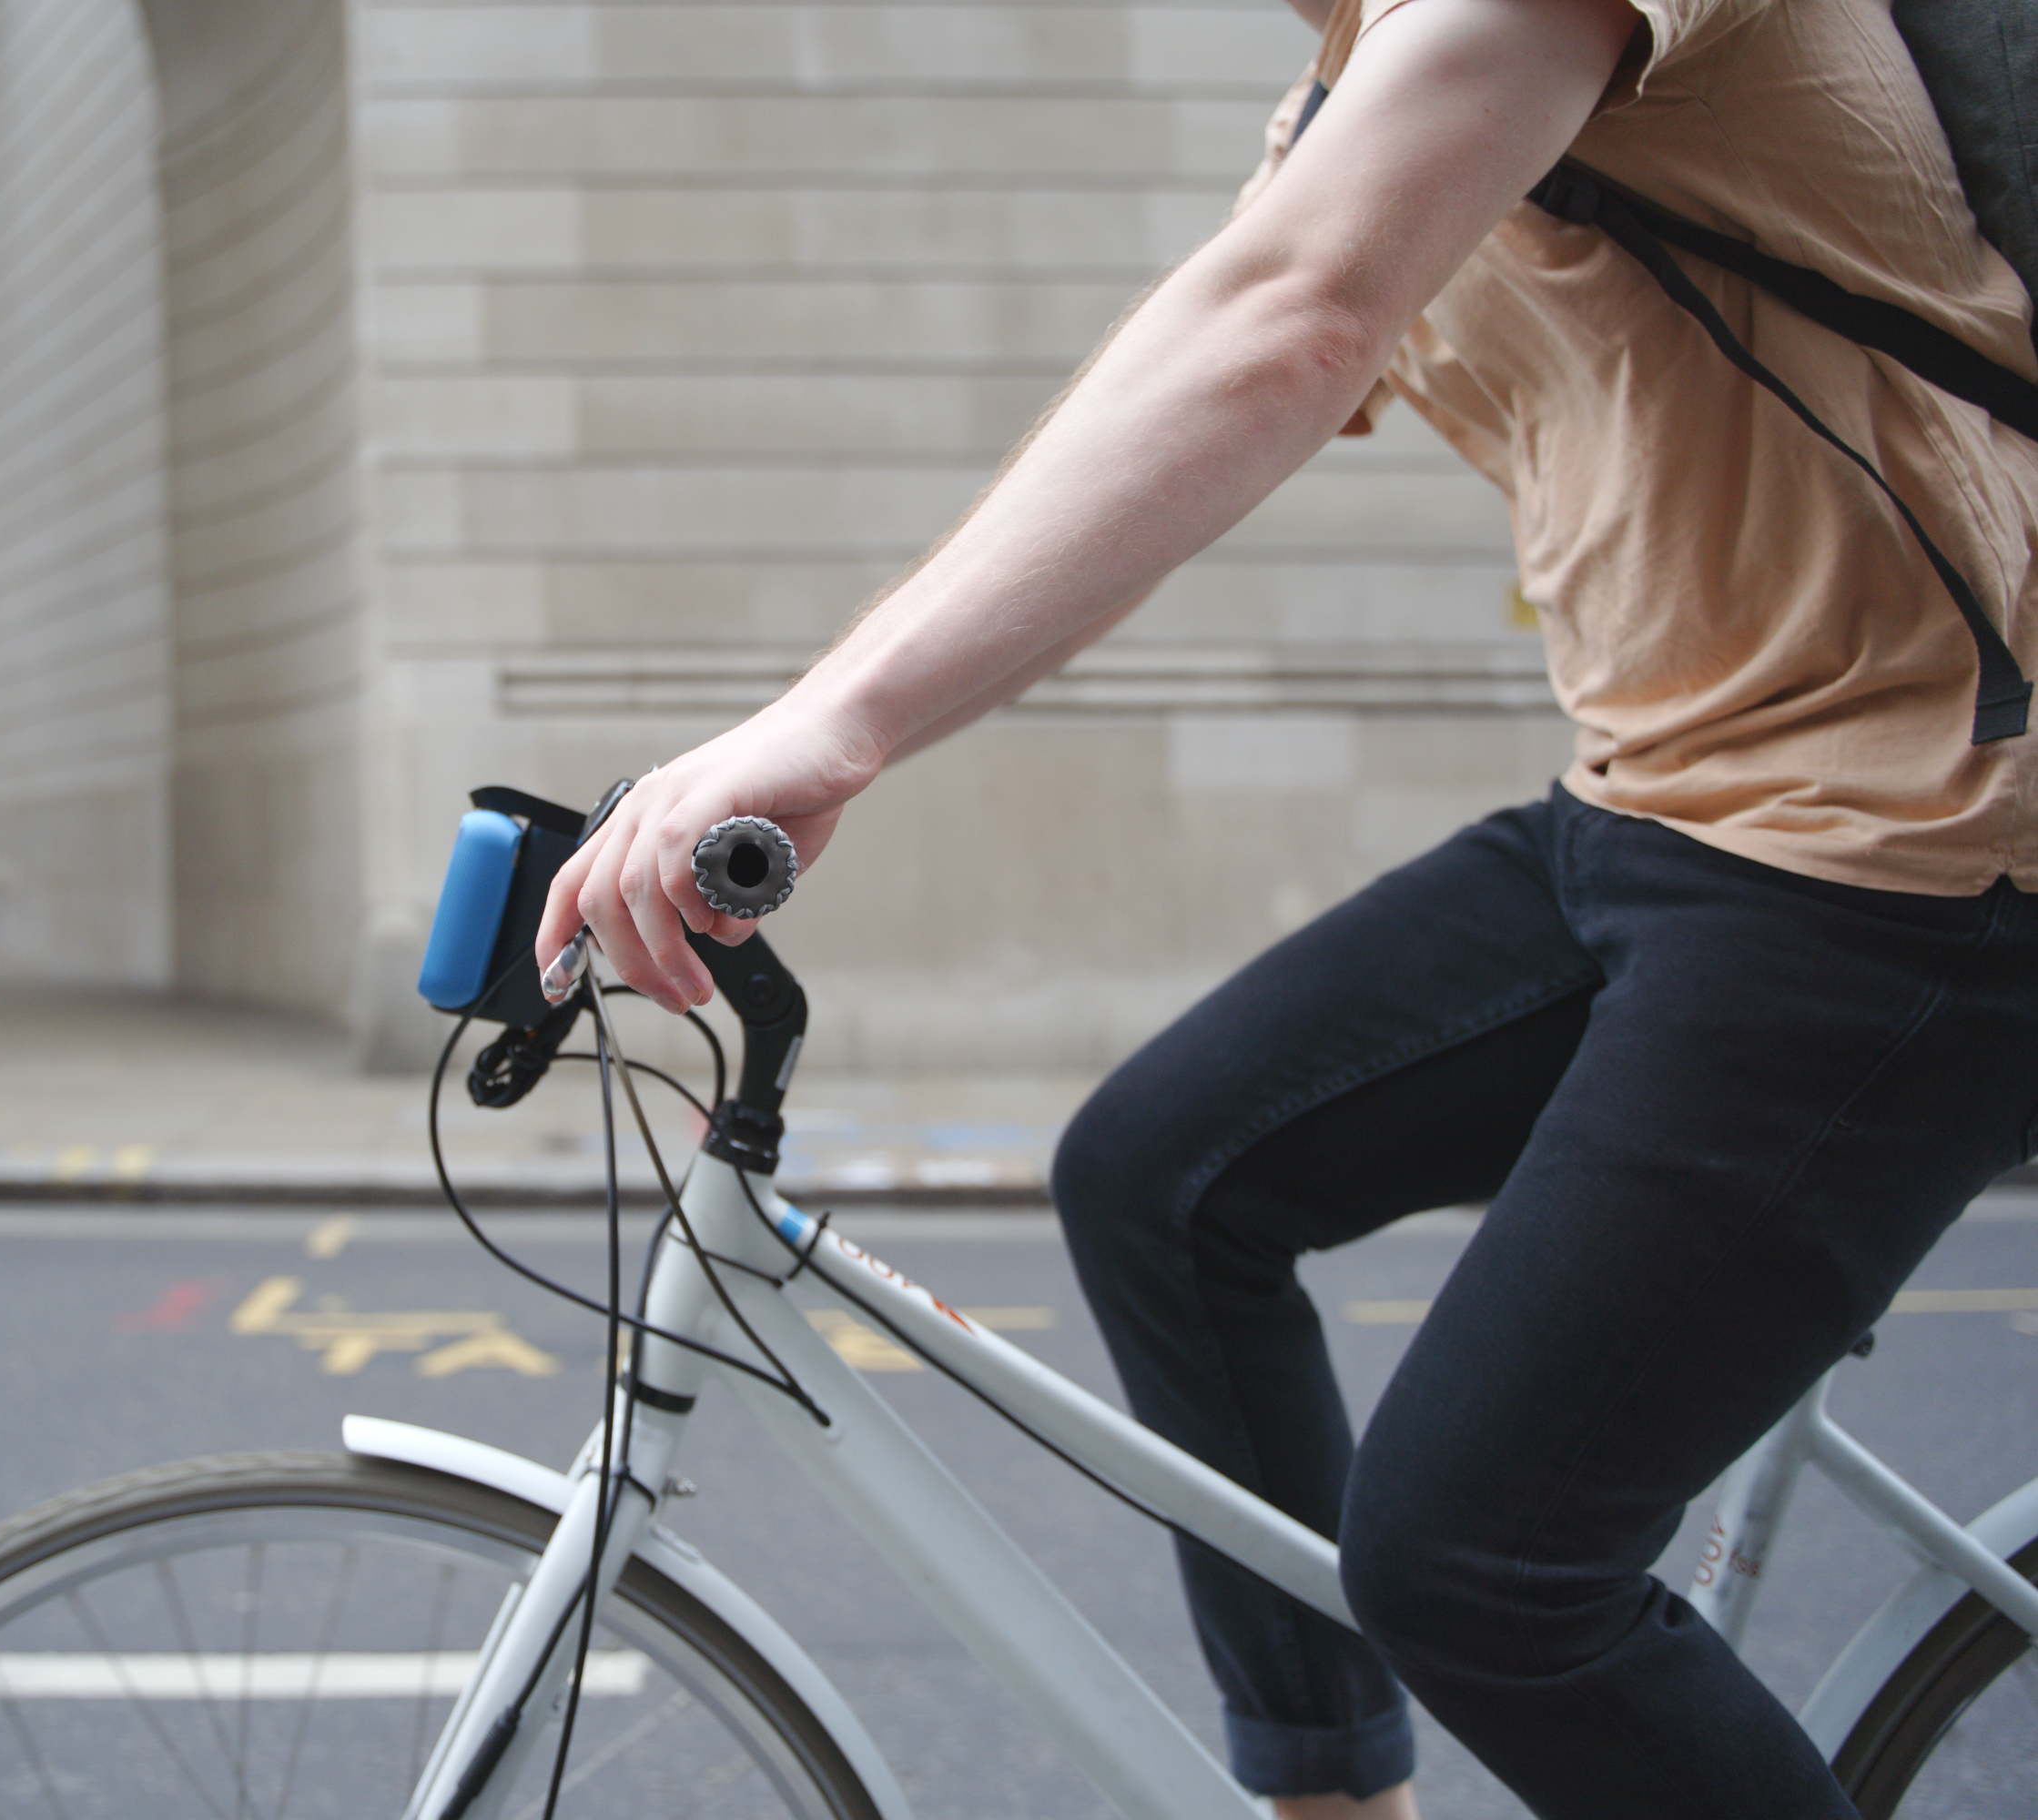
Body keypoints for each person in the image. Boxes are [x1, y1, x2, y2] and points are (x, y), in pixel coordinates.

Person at [535, 2, 2038, 1815]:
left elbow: (1291, 315)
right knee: (1163, 1178)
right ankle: (1336, 1796)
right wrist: (808, 707)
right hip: (1663, 806)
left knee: (1484, 1571)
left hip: (1911, 858)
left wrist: (832, 730)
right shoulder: (1353, 65)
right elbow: (1228, 344)